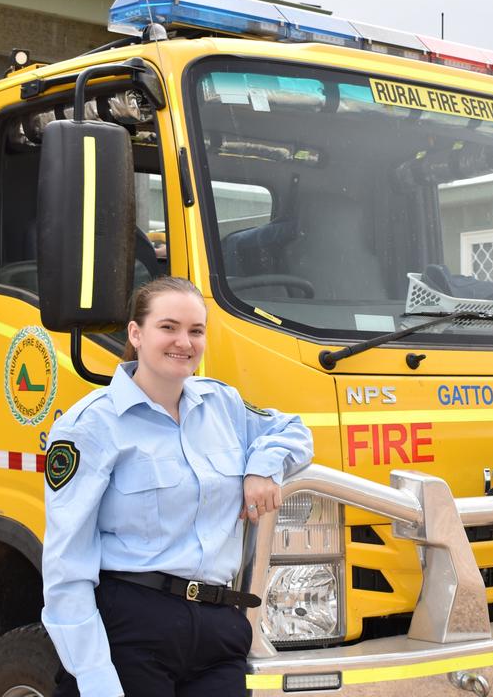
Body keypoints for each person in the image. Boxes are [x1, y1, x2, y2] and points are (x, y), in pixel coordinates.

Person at [41, 276, 313, 697]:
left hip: (219, 626)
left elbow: (294, 431)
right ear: (136, 333)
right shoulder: (90, 426)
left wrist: (262, 467)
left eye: (195, 330)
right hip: (134, 626)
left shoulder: (221, 404)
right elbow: (66, 565)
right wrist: (95, 678)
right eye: (168, 327)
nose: (183, 342)